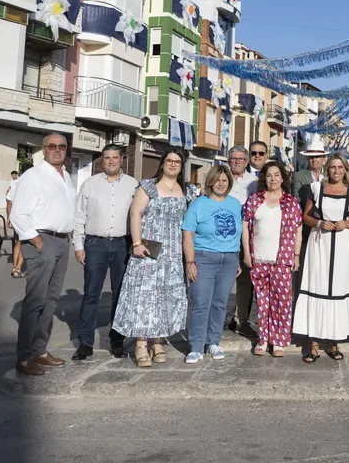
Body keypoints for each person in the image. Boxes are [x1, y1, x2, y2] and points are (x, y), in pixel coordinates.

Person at [113, 150, 195, 368]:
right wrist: (137, 243)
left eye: (177, 162)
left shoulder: (188, 190)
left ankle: (158, 341)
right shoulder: (148, 186)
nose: (173, 164)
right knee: (145, 296)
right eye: (169, 160)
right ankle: (141, 343)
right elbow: (135, 213)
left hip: (174, 253)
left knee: (166, 296)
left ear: (182, 165)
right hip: (150, 249)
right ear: (162, 163)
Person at [9, 134, 76, 376]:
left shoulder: (66, 176)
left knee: (50, 300)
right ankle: (25, 356)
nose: (57, 150)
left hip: (61, 242)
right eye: (52, 147)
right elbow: (18, 215)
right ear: (44, 150)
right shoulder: (33, 176)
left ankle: (39, 350)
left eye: (62, 147)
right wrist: (36, 241)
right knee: (35, 300)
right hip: (42, 240)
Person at [70, 145, 139, 361]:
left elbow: (140, 215)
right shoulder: (90, 184)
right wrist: (78, 245)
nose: (110, 161)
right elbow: (79, 215)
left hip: (122, 245)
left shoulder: (133, 185)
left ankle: (116, 341)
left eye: (115, 157)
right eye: (107, 158)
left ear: (122, 159)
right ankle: (85, 342)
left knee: (121, 294)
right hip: (95, 244)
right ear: (102, 160)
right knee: (91, 294)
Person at [294, 153, 349, 362]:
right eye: (332, 167)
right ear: (327, 169)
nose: (336, 171)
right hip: (319, 244)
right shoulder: (316, 189)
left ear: (345, 170)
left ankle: (333, 343)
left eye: (340, 167)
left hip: (342, 247)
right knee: (318, 287)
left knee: (338, 291)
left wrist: (348, 224)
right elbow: (304, 216)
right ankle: (314, 345)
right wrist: (318, 223)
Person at [182, 164, 242, 363]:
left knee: (220, 303)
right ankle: (196, 346)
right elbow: (188, 234)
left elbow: (240, 233)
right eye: (217, 180)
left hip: (229, 259)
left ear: (229, 183)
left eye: (225, 180)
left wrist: (237, 258)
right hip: (204, 257)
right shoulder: (199, 203)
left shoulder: (235, 204)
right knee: (200, 302)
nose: (221, 183)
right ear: (210, 181)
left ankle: (214, 342)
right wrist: (190, 261)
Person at [242, 161, 303, 357]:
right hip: (259, 259)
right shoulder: (254, 200)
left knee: (282, 301)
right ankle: (263, 339)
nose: (273, 179)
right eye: (269, 175)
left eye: (277, 175)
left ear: (283, 178)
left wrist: (296, 255)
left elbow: (298, 229)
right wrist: (247, 253)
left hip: (282, 260)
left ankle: (279, 341)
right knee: (262, 302)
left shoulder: (291, 202)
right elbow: (245, 227)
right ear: (264, 179)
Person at [291, 138, 328, 301]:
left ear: (323, 159)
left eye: (318, 156)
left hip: (327, 231)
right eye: (311, 157)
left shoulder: (330, 176)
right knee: (303, 272)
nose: (314, 160)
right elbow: (296, 201)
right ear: (307, 159)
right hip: (306, 230)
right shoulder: (299, 176)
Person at [227, 145, 258, 333]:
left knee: (245, 280)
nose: (237, 161)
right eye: (233, 158)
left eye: (240, 158)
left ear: (247, 162)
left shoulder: (254, 182)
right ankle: (223, 317)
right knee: (223, 280)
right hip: (224, 235)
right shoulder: (221, 178)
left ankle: (242, 320)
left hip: (246, 236)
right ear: (228, 160)